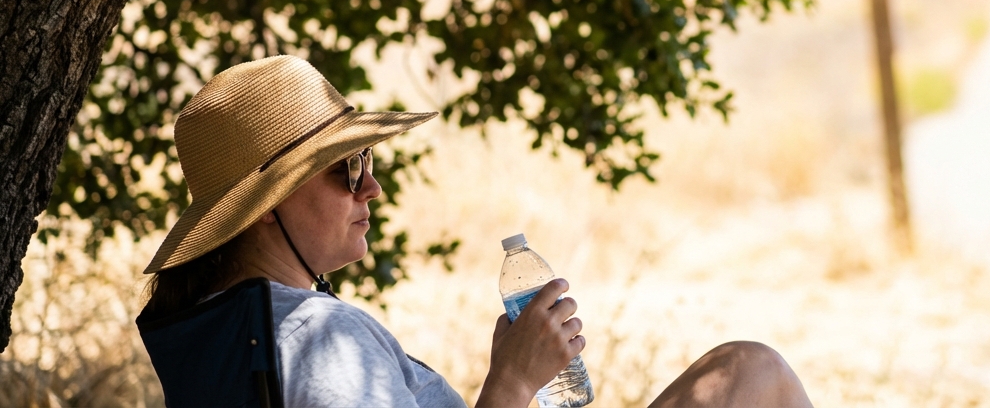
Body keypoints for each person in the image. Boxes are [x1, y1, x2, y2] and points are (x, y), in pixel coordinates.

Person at [138, 55, 813, 407]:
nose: (371, 187)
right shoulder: (318, 341)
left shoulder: (221, 332)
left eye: (366, 160)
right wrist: (511, 383)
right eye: (346, 168)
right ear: (266, 205)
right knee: (753, 373)